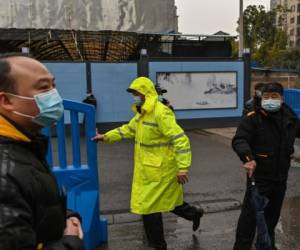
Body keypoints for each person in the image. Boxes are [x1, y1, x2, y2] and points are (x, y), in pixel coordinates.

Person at [93, 77, 203, 250]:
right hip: (148, 169)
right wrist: (106, 137)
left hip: (162, 170)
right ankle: (195, 213)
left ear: (146, 93)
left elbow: (180, 139)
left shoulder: (161, 112)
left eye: (137, 93)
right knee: (166, 202)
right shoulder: (142, 113)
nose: (135, 97)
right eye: (134, 94)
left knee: (149, 208)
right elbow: (128, 129)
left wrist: (183, 167)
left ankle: (158, 246)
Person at [0, 54, 84, 250]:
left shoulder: (23, 144)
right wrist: (71, 242)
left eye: (53, 85)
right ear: (6, 100)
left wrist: (65, 215)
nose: (55, 95)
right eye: (44, 87)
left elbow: (29, 202)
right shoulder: (5, 172)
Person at [232, 82, 300, 250]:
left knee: (271, 218)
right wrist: (247, 157)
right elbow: (240, 139)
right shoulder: (253, 117)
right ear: (261, 98)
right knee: (249, 219)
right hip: (259, 177)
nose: (270, 100)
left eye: (274, 96)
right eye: (267, 97)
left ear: (282, 99)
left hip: (280, 178)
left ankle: (266, 245)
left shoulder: (290, 118)